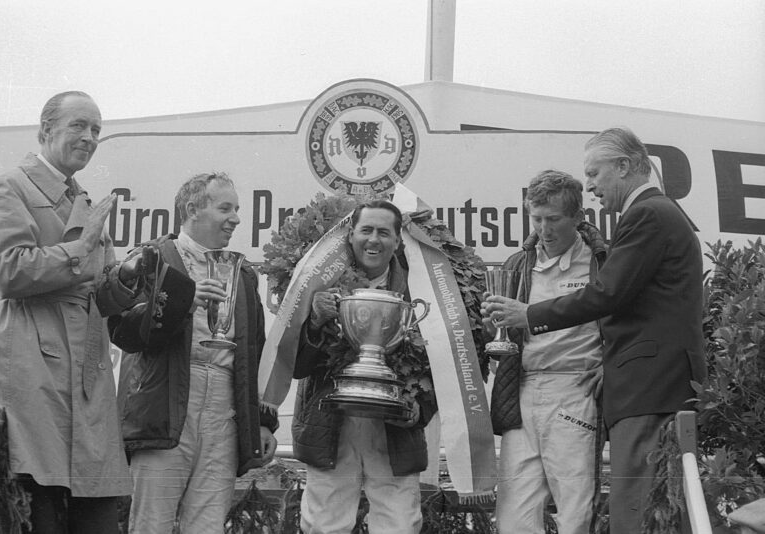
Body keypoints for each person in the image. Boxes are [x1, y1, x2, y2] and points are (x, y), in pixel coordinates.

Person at [483, 127, 707, 534]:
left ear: (624, 166)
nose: (591, 185)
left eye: (595, 173)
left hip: (642, 386)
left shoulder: (648, 214)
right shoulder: (657, 214)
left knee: (633, 513)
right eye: (538, 219)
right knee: (637, 510)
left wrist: (528, 316)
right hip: (630, 386)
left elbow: (606, 294)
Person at [0, 91, 143, 533]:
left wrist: (129, 281)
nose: (89, 137)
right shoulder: (8, 187)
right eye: (79, 126)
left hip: (86, 369)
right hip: (30, 361)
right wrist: (82, 246)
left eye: (96, 130)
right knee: (38, 502)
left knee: (97, 507)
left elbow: (100, 292)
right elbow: (9, 273)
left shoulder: (85, 201)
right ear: (45, 129)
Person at [112, 172, 278, 534]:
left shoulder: (243, 273)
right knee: (151, 524)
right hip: (165, 405)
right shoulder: (150, 258)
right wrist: (182, 303)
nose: (235, 217)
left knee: (207, 525)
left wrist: (263, 420)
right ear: (192, 209)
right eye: (225, 208)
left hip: (224, 407)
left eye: (237, 209)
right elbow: (124, 332)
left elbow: (256, 352)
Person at [292, 199, 436, 534]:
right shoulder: (316, 281)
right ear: (351, 235)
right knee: (324, 525)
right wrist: (314, 322)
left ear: (398, 241)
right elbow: (295, 365)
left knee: (400, 525)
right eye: (366, 230)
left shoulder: (424, 289)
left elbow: (440, 364)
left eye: (384, 232)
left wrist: (421, 409)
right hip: (330, 420)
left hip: (394, 425)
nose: (374, 239)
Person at [490, 170, 606, 534]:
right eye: (537, 219)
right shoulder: (517, 264)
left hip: (575, 389)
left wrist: (613, 366)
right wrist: (490, 325)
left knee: (574, 512)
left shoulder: (602, 262)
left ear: (577, 217)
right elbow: (502, 333)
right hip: (521, 389)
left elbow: (628, 322)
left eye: (554, 219)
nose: (544, 228)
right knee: (512, 518)